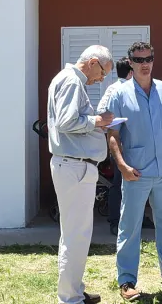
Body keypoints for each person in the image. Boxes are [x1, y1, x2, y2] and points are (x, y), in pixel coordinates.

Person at [106, 41, 162, 301]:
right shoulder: (118, 94)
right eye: (138, 60)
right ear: (131, 63)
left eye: (148, 58)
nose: (144, 63)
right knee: (130, 226)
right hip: (135, 171)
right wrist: (122, 166)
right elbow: (113, 135)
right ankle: (126, 281)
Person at [47, 45, 115, 304]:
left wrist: (94, 120)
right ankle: (70, 297)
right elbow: (67, 122)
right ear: (93, 62)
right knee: (76, 234)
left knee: (75, 233)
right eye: (103, 72)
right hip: (75, 166)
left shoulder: (67, 80)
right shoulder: (72, 82)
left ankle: (73, 290)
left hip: (74, 166)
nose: (102, 79)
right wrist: (98, 121)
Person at [98, 57, 155, 236]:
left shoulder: (117, 88)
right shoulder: (118, 89)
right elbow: (102, 113)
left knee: (137, 181)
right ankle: (115, 221)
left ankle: (137, 218)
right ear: (131, 71)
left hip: (133, 143)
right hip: (121, 142)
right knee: (119, 181)